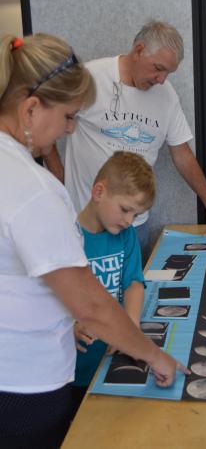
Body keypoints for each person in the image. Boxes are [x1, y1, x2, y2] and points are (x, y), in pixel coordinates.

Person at [0, 33, 188, 449]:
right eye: (69, 117)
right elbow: (91, 304)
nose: (70, 129)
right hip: (23, 386)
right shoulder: (34, 190)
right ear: (31, 108)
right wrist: (154, 355)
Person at [44, 20, 206, 261]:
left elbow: (183, 155)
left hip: (134, 224)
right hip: (85, 222)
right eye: (158, 68)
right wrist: (57, 176)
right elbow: (48, 120)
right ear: (138, 51)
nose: (161, 79)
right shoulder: (91, 78)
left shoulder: (166, 96)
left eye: (168, 72)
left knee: (134, 289)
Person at [72, 150, 155, 408]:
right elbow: (46, 299)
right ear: (99, 192)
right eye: (125, 210)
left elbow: (133, 283)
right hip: (73, 371)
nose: (130, 221)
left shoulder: (126, 236)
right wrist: (70, 328)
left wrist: (129, 331)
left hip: (110, 360)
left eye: (136, 215)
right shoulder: (67, 236)